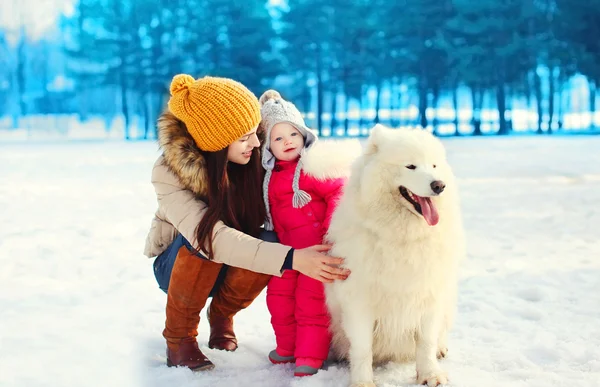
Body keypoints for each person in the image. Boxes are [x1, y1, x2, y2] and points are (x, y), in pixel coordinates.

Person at [144, 74, 350, 372]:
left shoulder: (253, 156)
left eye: (256, 132)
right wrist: (293, 258)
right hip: (180, 262)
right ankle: (179, 339)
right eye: (244, 137)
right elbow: (212, 239)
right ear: (216, 142)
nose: (256, 142)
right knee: (203, 239)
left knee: (269, 240)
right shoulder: (168, 171)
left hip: (233, 257)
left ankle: (222, 315)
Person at [258, 90, 359, 376]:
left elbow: (339, 193)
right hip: (287, 254)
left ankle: (309, 357)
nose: (287, 141)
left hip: (318, 253)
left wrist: (330, 235)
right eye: (278, 138)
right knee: (278, 300)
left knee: (310, 305)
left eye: (293, 133)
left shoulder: (315, 168)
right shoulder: (269, 176)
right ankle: (287, 347)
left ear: (305, 135)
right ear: (268, 147)